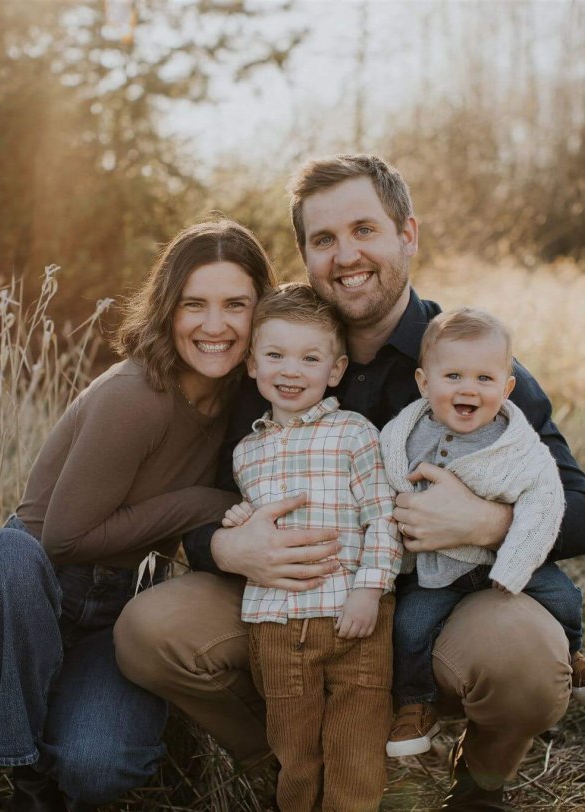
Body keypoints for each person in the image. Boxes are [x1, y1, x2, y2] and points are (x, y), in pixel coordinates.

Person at [114, 155, 585, 811]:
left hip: (439, 612)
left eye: (364, 229)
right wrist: (223, 546)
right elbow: (203, 495)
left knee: (526, 661)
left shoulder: (466, 364)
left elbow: (579, 504)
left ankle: (479, 781)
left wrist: (487, 523)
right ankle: (287, 765)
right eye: (324, 239)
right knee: (150, 629)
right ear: (304, 254)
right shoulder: (275, 362)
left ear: (407, 235)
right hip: (300, 607)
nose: (346, 255)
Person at [0, 218, 276, 812]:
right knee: (6, 560)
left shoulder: (241, 399)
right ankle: (25, 779)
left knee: (99, 769)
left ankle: (61, 744)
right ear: (166, 309)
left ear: (262, 312)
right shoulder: (138, 395)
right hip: (32, 587)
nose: (214, 325)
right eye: (192, 304)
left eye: (236, 305)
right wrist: (203, 503)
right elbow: (67, 538)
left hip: (116, 609)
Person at [221, 283, 401, 811]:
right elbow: (256, 525)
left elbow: (382, 517)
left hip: (354, 620)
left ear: (336, 370)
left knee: (356, 750)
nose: (291, 370)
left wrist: (370, 589)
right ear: (252, 364)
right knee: (295, 754)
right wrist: (238, 521)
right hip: (275, 627)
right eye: (275, 355)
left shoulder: (354, 434)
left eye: (310, 357)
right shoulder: (245, 453)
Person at [379, 307, 584, 759]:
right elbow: (388, 487)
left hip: (500, 561)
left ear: (508, 388)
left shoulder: (515, 442)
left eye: (485, 380)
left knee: (566, 598)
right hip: (438, 569)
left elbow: (548, 497)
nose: (468, 388)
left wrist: (509, 550)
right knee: (409, 626)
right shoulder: (404, 436)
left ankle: (572, 654)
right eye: (452, 375)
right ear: (423, 382)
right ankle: (416, 704)